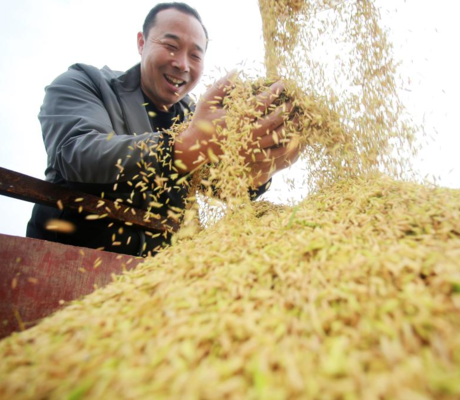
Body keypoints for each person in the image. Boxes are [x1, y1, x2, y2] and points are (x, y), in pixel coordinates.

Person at [26, 2, 300, 257]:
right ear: (141, 42)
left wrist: (260, 171)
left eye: (195, 55)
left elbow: (219, 184)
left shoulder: (195, 117)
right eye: (171, 46)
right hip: (69, 258)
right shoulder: (86, 83)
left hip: (162, 274)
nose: (182, 64)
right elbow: (77, 154)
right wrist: (184, 146)